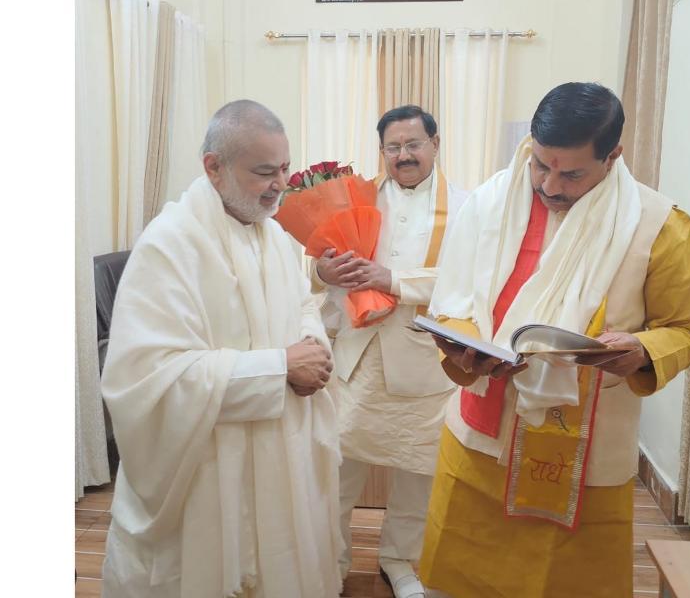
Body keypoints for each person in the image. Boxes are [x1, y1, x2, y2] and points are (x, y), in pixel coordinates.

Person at [417, 82, 690, 597]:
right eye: (539, 164)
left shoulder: (659, 225)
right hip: (482, 435)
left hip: (583, 451)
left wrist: (643, 351)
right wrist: (463, 345)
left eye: (571, 173)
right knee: (464, 576)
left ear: (613, 155)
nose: (549, 186)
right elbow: (454, 301)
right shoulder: (489, 202)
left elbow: (684, 330)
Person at [100, 100, 343, 598]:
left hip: (280, 453)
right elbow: (147, 378)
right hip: (206, 473)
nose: (280, 184)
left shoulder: (274, 235)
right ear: (214, 167)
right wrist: (277, 369)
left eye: (284, 168)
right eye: (263, 172)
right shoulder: (168, 245)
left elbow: (302, 306)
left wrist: (313, 346)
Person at [312, 105, 467, 598]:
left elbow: (469, 284)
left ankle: (402, 563)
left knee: (417, 475)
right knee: (334, 470)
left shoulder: (467, 208)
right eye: (393, 147)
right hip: (357, 358)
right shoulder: (353, 200)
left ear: (435, 144)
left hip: (425, 361)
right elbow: (313, 267)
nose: (404, 155)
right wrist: (323, 273)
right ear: (382, 151)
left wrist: (394, 280)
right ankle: (326, 564)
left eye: (413, 144)